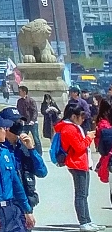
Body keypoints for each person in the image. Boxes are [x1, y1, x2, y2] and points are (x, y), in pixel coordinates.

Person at [53, 97, 94, 231]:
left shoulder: (73, 127)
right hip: (77, 163)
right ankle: (83, 222)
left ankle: (87, 220)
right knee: (81, 195)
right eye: (81, 116)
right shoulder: (68, 129)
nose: (83, 119)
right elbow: (79, 147)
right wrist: (89, 138)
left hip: (82, 163)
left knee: (84, 195)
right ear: (73, 116)